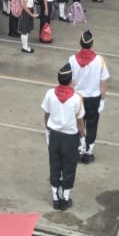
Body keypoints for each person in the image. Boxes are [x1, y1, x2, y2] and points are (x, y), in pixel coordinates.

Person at [42, 63, 85, 211]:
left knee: (55, 166)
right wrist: (82, 137)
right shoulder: (76, 99)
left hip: (54, 136)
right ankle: (65, 198)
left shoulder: (49, 94)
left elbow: (46, 115)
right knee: (69, 167)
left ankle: (55, 198)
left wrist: (47, 131)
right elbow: (80, 121)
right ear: (70, 80)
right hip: (70, 138)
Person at [69, 30, 109, 164]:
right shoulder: (99, 60)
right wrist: (102, 100)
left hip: (78, 98)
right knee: (92, 125)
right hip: (93, 99)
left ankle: (79, 148)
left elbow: (70, 81)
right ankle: (88, 151)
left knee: (78, 124)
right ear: (92, 44)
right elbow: (103, 82)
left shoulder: (72, 59)